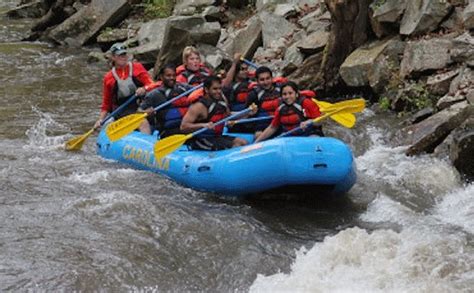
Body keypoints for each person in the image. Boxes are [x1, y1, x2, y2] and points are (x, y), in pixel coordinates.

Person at [94, 43, 156, 129]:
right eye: (119, 55)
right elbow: (106, 104)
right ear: (113, 57)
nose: (123, 57)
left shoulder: (137, 68)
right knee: (141, 122)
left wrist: (144, 88)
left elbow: (152, 84)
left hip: (140, 106)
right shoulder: (108, 78)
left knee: (145, 119)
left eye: (124, 54)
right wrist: (100, 119)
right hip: (121, 111)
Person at [180, 76, 249, 151]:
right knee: (235, 147)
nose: (218, 91)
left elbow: (228, 116)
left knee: (244, 142)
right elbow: (183, 127)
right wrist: (203, 125)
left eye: (220, 88)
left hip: (217, 137)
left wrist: (246, 113)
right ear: (206, 89)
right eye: (215, 89)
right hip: (201, 140)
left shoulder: (222, 101)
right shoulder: (198, 106)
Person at [254, 81, 323, 143]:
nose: (287, 97)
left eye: (290, 93)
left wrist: (309, 122)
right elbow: (273, 127)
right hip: (290, 136)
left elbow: (319, 122)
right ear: (281, 96)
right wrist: (257, 142)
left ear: (296, 94)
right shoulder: (280, 108)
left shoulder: (306, 103)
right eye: (284, 94)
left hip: (308, 134)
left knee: (313, 139)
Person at [138, 64, 193, 137]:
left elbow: (199, 92)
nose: (172, 78)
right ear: (161, 77)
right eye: (168, 75)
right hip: (167, 131)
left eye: (174, 75)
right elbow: (138, 111)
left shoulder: (184, 88)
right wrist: (146, 112)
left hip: (186, 126)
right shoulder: (154, 94)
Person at [244, 66, 286, 132]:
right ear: (257, 81)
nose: (266, 82)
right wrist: (250, 114)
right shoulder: (253, 94)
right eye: (262, 80)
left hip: (282, 122)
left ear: (272, 78)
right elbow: (247, 114)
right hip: (263, 125)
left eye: (268, 78)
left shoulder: (282, 89)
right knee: (258, 135)